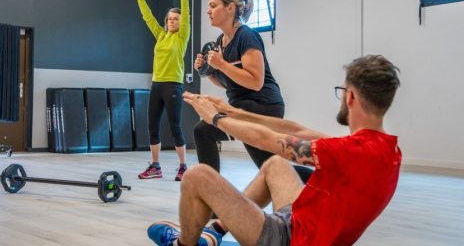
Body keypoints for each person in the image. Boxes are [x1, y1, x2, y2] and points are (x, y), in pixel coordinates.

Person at [148, 54, 402, 246]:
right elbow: (297, 130)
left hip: (292, 239)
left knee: (197, 176)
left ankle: (182, 244)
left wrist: (215, 119)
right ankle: (214, 233)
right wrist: (235, 112)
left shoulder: (347, 151)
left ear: (351, 97)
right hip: (305, 224)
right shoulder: (386, 151)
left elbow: (267, 140)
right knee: (276, 166)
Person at [193, 0, 313, 182]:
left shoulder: (247, 36)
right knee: (269, 165)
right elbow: (230, 84)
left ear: (230, 8)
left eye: (213, 6)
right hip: (242, 106)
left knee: (203, 131)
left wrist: (221, 64)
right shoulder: (220, 41)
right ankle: (320, 182)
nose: (208, 11)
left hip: (263, 105)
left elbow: (255, 82)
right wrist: (208, 71)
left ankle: (211, 193)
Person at [135, 0, 190, 182]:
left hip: (173, 85)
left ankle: (183, 166)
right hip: (156, 85)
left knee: (175, 127)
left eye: (175, 18)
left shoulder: (182, 36)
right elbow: (148, 17)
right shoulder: (160, 35)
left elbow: (187, 16)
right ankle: (155, 166)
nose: (172, 21)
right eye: (169, 19)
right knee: (153, 127)